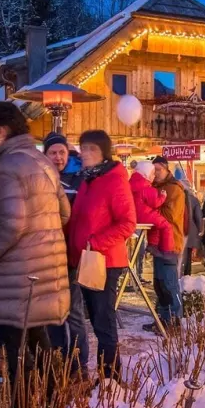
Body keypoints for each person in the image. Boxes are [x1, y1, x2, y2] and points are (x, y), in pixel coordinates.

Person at [0, 101, 70, 408]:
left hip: (19, 268)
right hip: (47, 263)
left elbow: (13, 224)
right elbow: (65, 212)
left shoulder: (8, 166)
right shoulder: (42, 161)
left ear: (1, 131)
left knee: (13, 344)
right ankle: (51, 398)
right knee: (35, 334)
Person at [66, 130, 135, 378]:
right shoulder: (87, 180)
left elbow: (128, 223)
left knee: (103, 322)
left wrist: (95, 242)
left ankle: (110, 378)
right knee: (95, 320)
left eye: (91, 149)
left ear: (104, 153)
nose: (85, 153)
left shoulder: (114, 180)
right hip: (86, 260)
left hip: (104, 261)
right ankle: (107, 377)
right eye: (83, 148)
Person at [42, 132, 87, 368]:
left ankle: (78, 367)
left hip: (70, 254)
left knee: (74, 313)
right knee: (51, 313)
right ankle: (57, 361)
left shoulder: (79, 178)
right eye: (53, 152)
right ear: (46, 155)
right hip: (47, 254)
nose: (58, 157)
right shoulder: (41, 177)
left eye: (61, 152)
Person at [149, 156, 186, 327]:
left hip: (170, 243)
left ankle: (174, 320)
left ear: (166, 169)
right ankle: (163, 319)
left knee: (169, 284)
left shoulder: (174, 189)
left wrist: (148, 210)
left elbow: (170, 216)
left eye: (159, 170)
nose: (156, 173)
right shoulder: (157, 187)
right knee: (160, 284)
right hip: (159, 244)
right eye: (153, 170)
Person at [178, 167, 202, 275]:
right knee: (187, 255)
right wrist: (200, 230)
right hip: (191, 230)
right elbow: (198, 217)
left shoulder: (177, 197)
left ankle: (179, 276)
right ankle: (187, 277)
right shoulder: (194, 199)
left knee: (180, 256)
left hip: (179, 229)